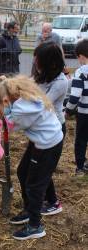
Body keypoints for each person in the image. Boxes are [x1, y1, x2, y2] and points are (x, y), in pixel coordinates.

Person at [0, 75, 63, 240]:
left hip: (48, 144)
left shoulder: (21, 108)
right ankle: (32, 208)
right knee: (23, 172)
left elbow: (13, 125)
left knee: (34, 185)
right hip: (41, 140)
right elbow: (10, 119)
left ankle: (35, 225)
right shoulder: (15, 97)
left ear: (5, 101)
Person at [33, 42, 68, 137]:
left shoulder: (61, 82)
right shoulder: (43, 75)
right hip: (41, 124)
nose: (35, 63)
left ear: (50, 63)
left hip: (54, 127)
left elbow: (42, 103)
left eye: (38, 61)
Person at [66, 39, 88, 176]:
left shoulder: (81, 72)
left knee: (81, 140)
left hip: (84, 112)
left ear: (80, 56)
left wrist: (68, 110)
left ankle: (80, 168)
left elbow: (75, 96)